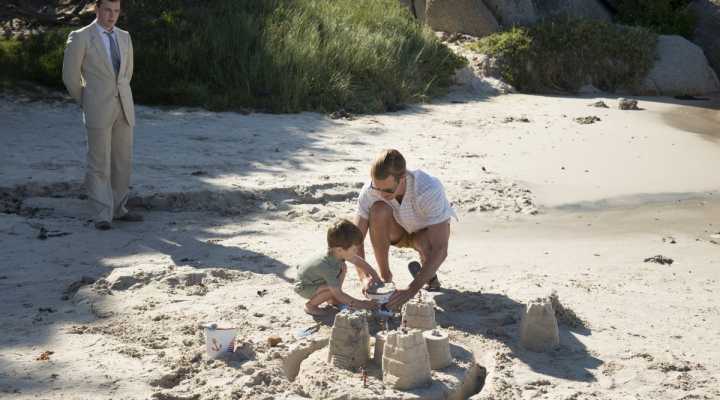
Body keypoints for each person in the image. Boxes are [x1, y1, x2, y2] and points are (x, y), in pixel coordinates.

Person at [62, 0, 141, 230]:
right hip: (97, 107)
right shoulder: (80, 37)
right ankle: (102, 214)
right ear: (97, 9)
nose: (112, 15)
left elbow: (127, 74)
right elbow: (70, 77)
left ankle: (118, 209)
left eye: (116, 11)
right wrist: (87, 101)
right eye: (107, 10)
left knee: (122, 161)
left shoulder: (125, 36)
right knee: (99, 162)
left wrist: (120, 95)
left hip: (124, 106)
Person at [354, 149, 455, 310]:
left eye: (388, 190)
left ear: (402, 178)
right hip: (397, 232)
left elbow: (441, 249)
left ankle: (428, 274)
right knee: (378, 210)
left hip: (424, 233)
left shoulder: (429, 189)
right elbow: (354, 239)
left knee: (429, 248)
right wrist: (364, 277)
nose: (381, 194)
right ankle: (385, 277)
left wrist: (411, 290)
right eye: (377, 188)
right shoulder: (370, 191)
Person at [294, 219, 382, 316]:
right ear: (340, 250)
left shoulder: (336, 253)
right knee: (332, 291)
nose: (356, 251)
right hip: (305, 287)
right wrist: (364, 304)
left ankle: (330, 298)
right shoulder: (327, 267)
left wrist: (375, 276)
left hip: (317, 280)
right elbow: (339, 294)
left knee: (342, 268)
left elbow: (359, 262)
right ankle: (310, 306)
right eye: (354, 249)